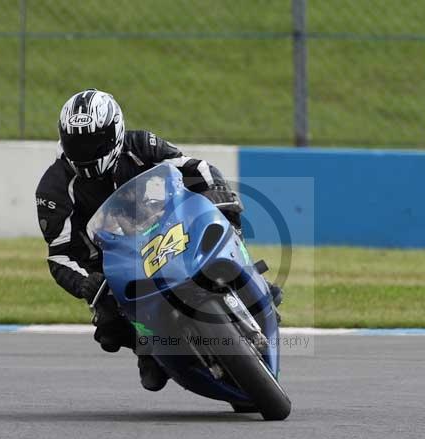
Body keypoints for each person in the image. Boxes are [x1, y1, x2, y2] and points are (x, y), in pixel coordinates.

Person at [35, 89, 280, 391]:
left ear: (115, 134)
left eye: (94, 143)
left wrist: (218, 194)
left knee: (221, 220)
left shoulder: (140, 145)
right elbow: (59, 254)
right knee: (109, 329)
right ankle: (148, 348)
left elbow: (194, 168)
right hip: (111, 261)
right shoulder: (53, 189)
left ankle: (249, 275)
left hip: (165, 229)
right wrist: (87, 282)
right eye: (77, 144)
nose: (86, 152)